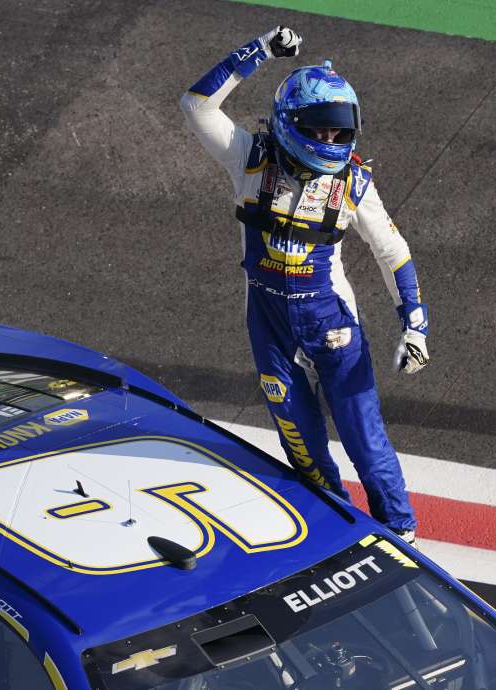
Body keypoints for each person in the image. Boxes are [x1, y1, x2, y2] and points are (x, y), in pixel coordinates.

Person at [180, 26, 430, 542]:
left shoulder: (354, 182)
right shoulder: (248, 157)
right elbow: (197, 104)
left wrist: (415, 322)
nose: (332, 140)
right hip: (269, 327)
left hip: (333, 325)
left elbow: (392, 251)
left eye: (341, 130)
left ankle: (402, 532)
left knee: (365, 438)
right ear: (291, 123)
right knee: (303, 445)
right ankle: (333, 527)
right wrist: (260, 50)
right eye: (321, 129)